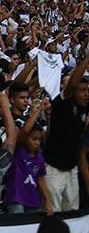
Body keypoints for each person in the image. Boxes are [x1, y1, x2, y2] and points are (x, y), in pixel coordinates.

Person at [43, 46, 89, 212]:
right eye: (83, 91)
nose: (86, 94)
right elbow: (73, 84)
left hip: (71, 169)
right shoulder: (61, 104)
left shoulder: (84, 109)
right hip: (53, 169)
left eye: (88, 91)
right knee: (54, 215)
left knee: (72, 215)